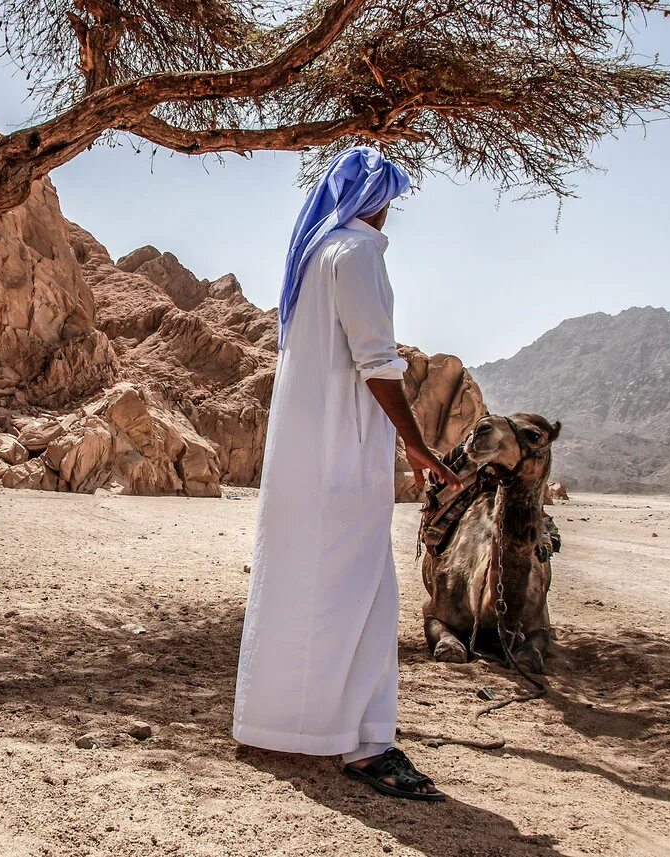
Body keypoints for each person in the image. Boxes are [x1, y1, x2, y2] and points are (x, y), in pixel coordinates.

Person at [232, 147, 461, 801]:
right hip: (342, 458)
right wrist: (415, 444)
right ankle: (366, 745)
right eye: (391, 196)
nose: (391, 211)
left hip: (310, 459)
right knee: (367, 597)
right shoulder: (358, 252)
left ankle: (284, 723)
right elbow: (376, 360)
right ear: (377, 198)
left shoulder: (315, 254)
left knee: (310, 588)